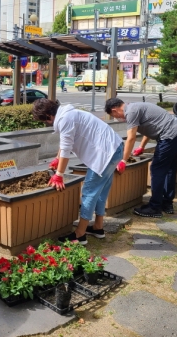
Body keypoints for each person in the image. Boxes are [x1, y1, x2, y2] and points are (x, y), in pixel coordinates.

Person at [32, 99, 124, 245]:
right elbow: (65, 143)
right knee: (101, 190)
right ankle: (98, 227)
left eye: (44, 120)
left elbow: (67, 148)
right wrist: (57, 159)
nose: (46, 124)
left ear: (49, 115)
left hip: (105, 154)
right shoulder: (70, 113)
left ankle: (80, 234)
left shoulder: (65, 119)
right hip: (115, 148)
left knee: (89, 191)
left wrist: (59, 175)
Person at [105, 98, 177, 218]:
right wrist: (142, 146)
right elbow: (149, 129)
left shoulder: (130, 112)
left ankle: (154, 207)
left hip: (169, 136)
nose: (117, 118)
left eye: (113, 115)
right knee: (170, 169)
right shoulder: (136, 106)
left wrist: (123, 160)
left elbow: (131, 138)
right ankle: (167, 203)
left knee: (157, 169)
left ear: (114, 110)